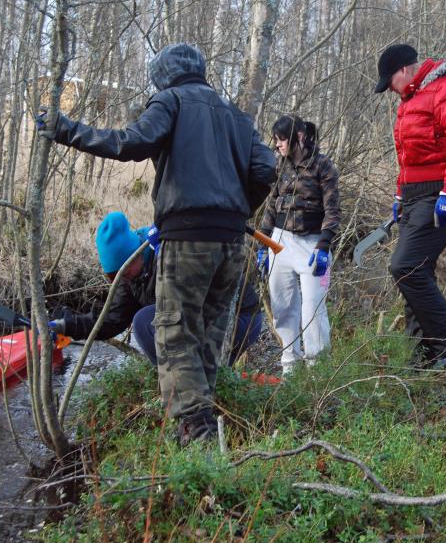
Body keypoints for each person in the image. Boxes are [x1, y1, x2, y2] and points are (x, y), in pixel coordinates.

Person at [38, 43, 276, 446]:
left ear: (163, 76)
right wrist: (235, 213)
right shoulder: (236, 115)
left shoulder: (171, 101)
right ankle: (207, 430)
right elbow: (266, 169)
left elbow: (130, 142)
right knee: (208, 332)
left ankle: (194, 436)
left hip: (187, 239)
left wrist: (65, 130)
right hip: (233, 242)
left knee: (175, 333)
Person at [372, 43, 446, 369]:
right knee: (416, 271)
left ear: (403, 70)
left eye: (390, 81)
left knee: (404, 266)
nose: (390, 89)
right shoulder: (409, 101)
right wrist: (400, 194)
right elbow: (408, 158)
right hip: (415, 194)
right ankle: (425, 354)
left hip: (442, 192)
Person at [49, 211, 263, 366]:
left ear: (134, 255)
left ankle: (188, 383)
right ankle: (189, 381)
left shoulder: (170, 249)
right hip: (203, 322)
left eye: (122, 272)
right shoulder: (132, 278)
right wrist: (65, 326)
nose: (121, 279)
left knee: (145, 320)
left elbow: (196, 300)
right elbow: (111, 321)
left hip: (240, 318)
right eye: (113, 277)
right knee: (151, 321)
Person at [257, 115, 340, 375]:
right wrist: (263, 242)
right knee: (282, 306)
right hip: (280, 242)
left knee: (313, 308)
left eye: (282, 139)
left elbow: (333, 209)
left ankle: (318, 373)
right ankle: (289, 368)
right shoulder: (280, 164)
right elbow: (271, 204)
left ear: (299, 137)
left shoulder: (322, 166)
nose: (278, 145)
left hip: (312, 244)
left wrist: (324, 245)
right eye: (276, 140)